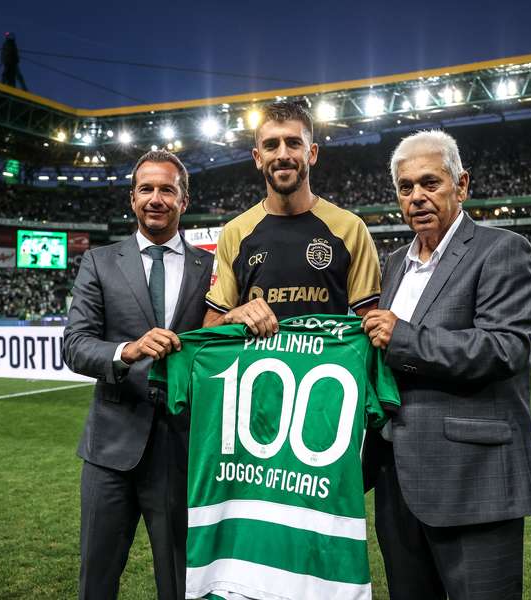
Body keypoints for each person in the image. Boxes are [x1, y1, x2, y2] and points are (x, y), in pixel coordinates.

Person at [362, 130, 531, 600]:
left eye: (430, 183)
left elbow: (504, 348)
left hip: (472, 480)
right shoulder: (396, 262)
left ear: (461, 185)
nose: (417, 196)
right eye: (405, 187)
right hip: (397, 482)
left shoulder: (501, 249)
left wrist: (401, 337)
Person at [63, 149, 213, 598]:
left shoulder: (210, 269)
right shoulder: (100, 262)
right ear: (132, 199)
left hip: (181, 450)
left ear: (183, 201)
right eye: (146, 189)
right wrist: (127, 351)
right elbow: (75, 345)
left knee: (180, 582)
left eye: (167, 189)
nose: (156, 198)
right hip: (110, 451)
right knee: (97, 579)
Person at [203, 101, 381, 331]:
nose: (283, 154)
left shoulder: (350, 228)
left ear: (312, 153)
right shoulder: (235, 232)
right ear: (258, 157)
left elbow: (373, 327)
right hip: (260, 367)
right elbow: (209, 328)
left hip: (326, 366)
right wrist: (233, 316)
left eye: (294, 143)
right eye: (271, 145)